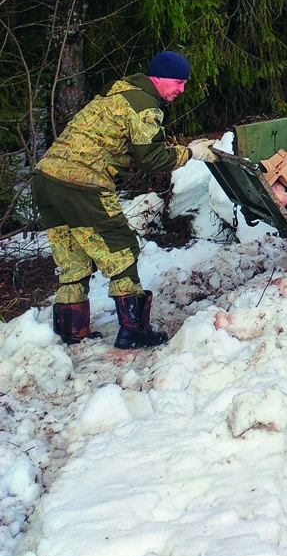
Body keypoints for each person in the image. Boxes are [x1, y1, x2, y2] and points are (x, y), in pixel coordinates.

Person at [31, 51, 218, 349]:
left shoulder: (118, 94)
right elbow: (152, 158)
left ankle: (71, 332)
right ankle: (134, 331)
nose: (181, 90)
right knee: (122, 249)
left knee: (73, 256)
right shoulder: (144, 105)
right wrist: (190, 153)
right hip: (83, 182)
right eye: (178, 82)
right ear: (158, 77)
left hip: (46, 180)